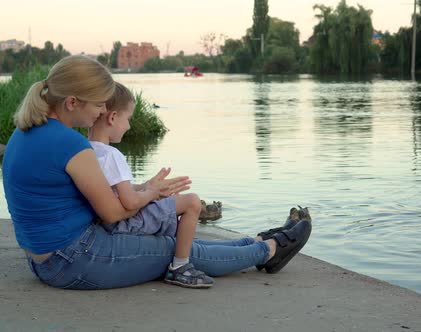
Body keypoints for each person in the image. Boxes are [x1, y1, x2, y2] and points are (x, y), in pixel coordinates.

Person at [2, 55, 312, 290]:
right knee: (171, 250)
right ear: (72, 102)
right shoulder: (71, 144)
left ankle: (252, 242)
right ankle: (269, 250)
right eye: (98, 105)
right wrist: (149, 194)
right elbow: (111, 213)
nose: (100, 112)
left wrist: (143, 189)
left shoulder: (26, 130)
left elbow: (89, 194)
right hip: (73, 259)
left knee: (178, 241)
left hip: (46, 257)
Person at [87, 82, 213, 288]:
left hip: (102, 222)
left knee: (170, 204)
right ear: (112, 117)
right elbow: (129, 202)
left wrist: (147, 186)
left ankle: (173, 249)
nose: (128, 126)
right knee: (192, 202)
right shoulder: (112, 155)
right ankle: (180, 267)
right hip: (122, 224)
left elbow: (112, 191)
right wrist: (152, 193)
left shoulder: (85, 149)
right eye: (128, 119)